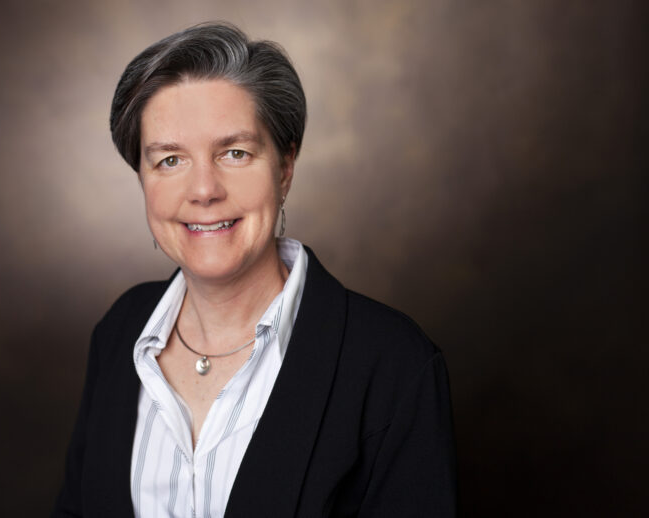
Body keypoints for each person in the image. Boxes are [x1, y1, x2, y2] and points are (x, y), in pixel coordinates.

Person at [52, 22, 456, 518]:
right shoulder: (120, 331)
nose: (204, 190)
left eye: (235, 153)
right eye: (170, 160)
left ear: (284, 168)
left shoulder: (393, 364)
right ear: (142, 178)